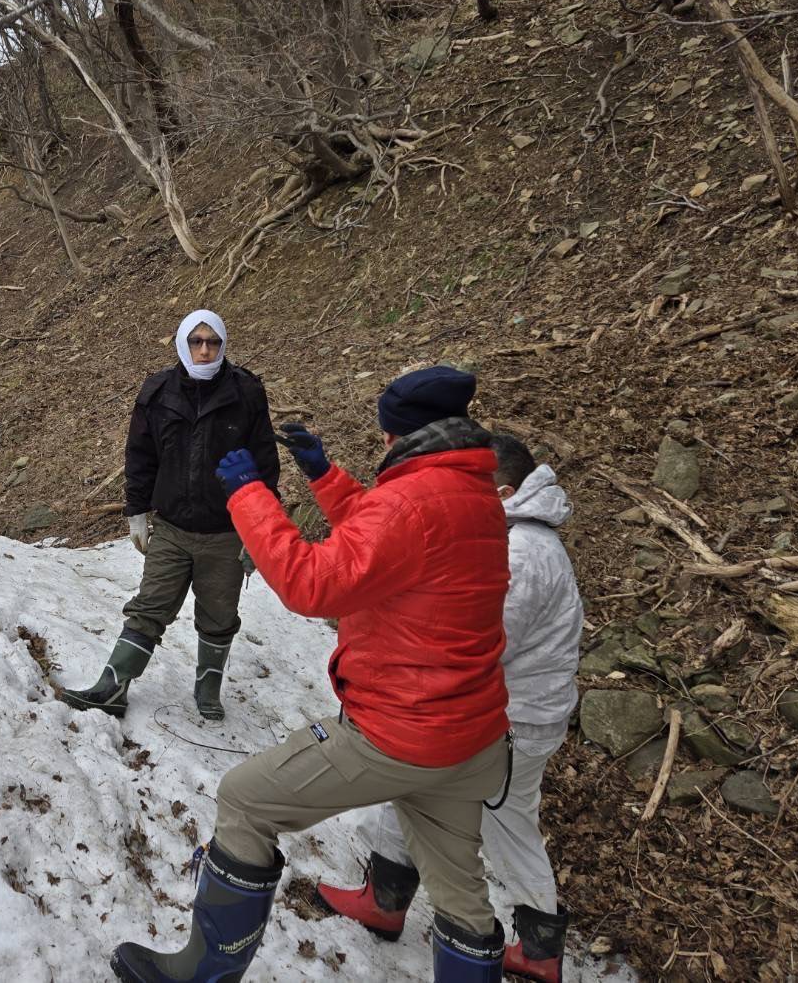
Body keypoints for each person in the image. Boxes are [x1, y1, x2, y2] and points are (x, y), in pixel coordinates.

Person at [110, 366, 513, 983]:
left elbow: (314, 583)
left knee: (244, 799)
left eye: (386, 437)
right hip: (469, 734)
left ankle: (201, 975)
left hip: (400, 731)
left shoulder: (412, 500)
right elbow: (388, 541)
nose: (383, 446)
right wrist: (326, 479)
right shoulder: (470, 490)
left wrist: (250, 496)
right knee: (461, 895)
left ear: (400, 437)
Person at [316, 433, 583, 983]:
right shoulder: (507, 537)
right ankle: (385, 900)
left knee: (508, 825)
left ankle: (538, 948)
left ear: (503, 491)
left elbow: (479, 638)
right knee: (410, 791)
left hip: (514, 723)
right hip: (480, 712)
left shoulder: (525, 553)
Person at [63, 309, 279, 723]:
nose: (203, 350)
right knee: (150, 606)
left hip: (227, 531)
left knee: (219, 615)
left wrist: (261, 529)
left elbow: (265, 463)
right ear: (182, 343)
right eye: (196, 341)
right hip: (173, 527)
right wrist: (136, 511)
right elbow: (141, 455)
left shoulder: (246, 391)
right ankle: (114, 686)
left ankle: (208, 688)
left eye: (211, 342)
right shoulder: (159, 391)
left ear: (222, 345)